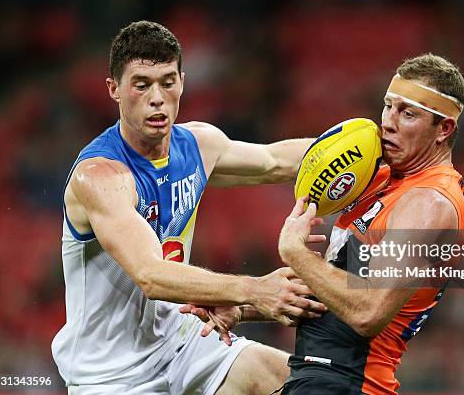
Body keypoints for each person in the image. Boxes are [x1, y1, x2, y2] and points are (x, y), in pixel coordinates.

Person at [51, 20, 327, 395]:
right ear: (114, 89)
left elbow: (276, 161)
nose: (157, 97)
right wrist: (251, 290)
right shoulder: (99, 176)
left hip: (183, 343)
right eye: (141, 84)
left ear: (182, 81)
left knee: (307, 386)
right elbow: (150, 275)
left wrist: (378, 146)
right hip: (111, 376)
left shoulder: (198, 144)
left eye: (167, 82)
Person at [276, 54, 464, 394]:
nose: (389, 123)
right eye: (388, 106)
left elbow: (369, 310)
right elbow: (333, 292)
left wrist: (296, 253)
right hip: (318, 378)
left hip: (350, 385)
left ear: (444, 129)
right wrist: (243, 305)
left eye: (407, 113)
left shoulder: (429, 203)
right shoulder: (379, 177)